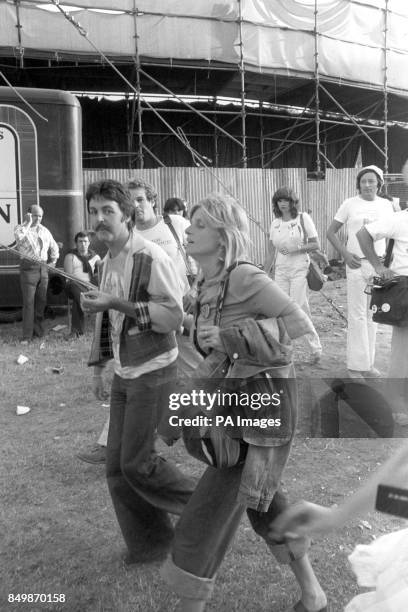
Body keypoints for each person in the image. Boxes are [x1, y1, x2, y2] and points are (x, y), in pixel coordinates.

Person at [161, 194, 327, 612]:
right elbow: (213, 352)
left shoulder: (243, 277)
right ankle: (313, 594)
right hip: (232, 403)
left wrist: (235, 337)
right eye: (191, 223)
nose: (189, 231)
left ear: (221, 236)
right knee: (264, 501)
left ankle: (189, 604)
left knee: (207, 512)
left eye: (199, 224)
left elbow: (298, 325)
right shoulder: (207, 282)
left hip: (259, 408)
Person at [80, 179, 195, 563]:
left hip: (155, 370)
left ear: (127, 215)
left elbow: (173, 316)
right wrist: (99, 366)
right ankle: (151, 545)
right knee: (116, 467)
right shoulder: (107, 258)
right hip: (125, 374)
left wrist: (119, 302)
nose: (99, 219)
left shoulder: (149, 256)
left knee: (137, 463)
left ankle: (206, 509)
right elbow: (107, 316)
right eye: (94, 211)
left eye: (107, 211)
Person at [326, 165, 394, 378]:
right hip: (356, 265)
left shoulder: (387, 205)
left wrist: (388, 263)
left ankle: (369, 364)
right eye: (363, 181)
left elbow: (393, 235)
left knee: (373, 315)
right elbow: (330, 232)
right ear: (358, 184)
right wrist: (345, 254)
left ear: (379, 184)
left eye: (371, 181)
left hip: (377, 266)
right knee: (357, 315)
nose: (367, 185)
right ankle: (356, 367)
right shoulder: (350, 204)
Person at [356, 208, 408, 417]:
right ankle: (395, 399)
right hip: (406, 288)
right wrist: (378, 267)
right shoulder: (401, 218)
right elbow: (363, 234)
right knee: (402, 350)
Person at [264, 187, 322, 363]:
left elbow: (315, 245)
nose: (282, 204)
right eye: (279, 201)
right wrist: (265, 273)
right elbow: (270, 252)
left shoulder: (303, 218)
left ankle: (315, 348)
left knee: (299, 307)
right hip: (281, 271)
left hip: (299, 269)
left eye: (286, 200)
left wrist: (296, 248)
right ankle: (282, 349)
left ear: (292, 202)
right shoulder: (275, 223)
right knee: (278, 309)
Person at [14, 204, 59, 342]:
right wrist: (28, 223)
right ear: (28, 214)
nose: (38, 218)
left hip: (43, 268)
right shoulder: (20, 228)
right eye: (35, 215)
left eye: (40, 216)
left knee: (41, 302)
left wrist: (53, 262)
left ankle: (38, 332)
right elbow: (19, 238)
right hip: (28, 268)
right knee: (28, 303)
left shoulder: (45, 230)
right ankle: (27, 336)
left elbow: (54, 247)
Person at [63, 231, 101, 338]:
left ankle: (76, 332)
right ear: (76, 243)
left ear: (89, 243)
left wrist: (99, 270)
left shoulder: (95, 257)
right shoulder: (70, 256)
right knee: (75, 286)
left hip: (87, 288)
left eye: (85, 241)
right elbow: (69, 277)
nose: (83, 244)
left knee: (78, 299)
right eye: (80, 241)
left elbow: (101, 273)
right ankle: (87, 303)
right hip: (72, 286)